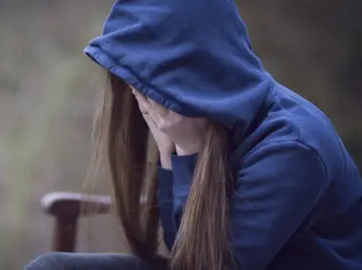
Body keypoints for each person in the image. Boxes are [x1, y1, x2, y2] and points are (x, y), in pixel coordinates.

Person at [25, 0, 362, 269]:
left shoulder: (292, 149)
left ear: (193, 73)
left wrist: (187, 149)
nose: (140, 99)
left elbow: (206, 263)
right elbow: (181, 248)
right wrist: (170, 154)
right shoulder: (204, 123)